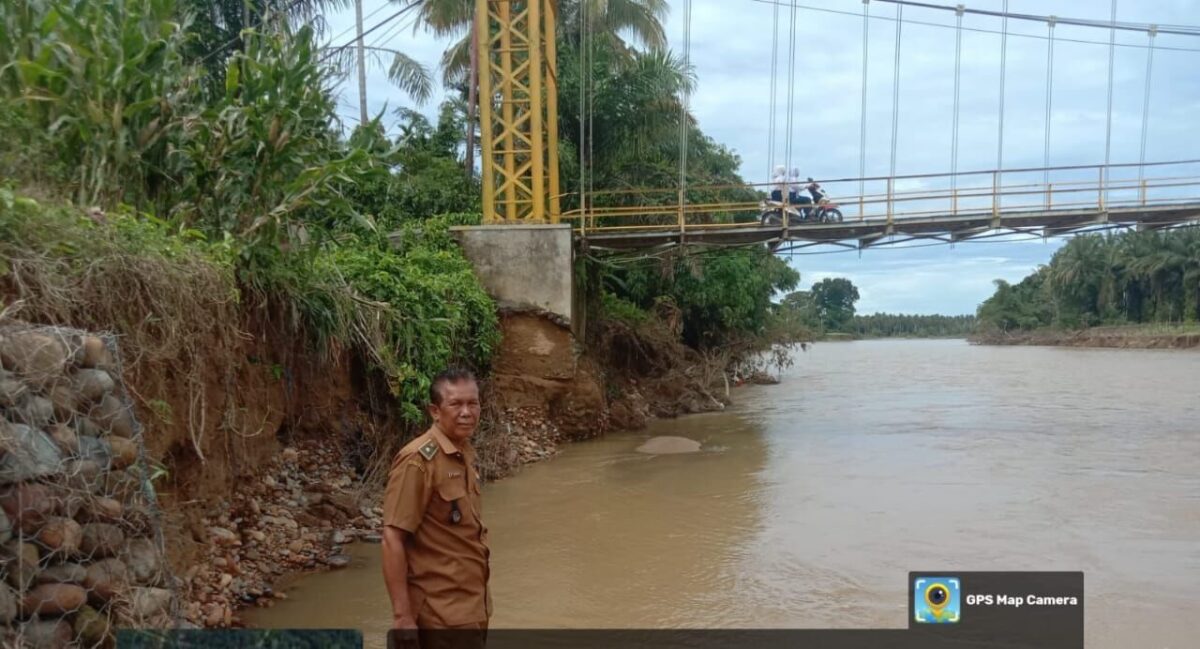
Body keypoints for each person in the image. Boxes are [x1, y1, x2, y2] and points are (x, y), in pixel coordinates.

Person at [382, 368, 490, 649]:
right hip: (439, 615)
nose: (466, 412)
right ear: (435, 411)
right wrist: (403, 617)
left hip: (470, 608)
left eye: (473, 403)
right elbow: (392, 537)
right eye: (456, 404)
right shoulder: (418, 460)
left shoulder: (462, 453)